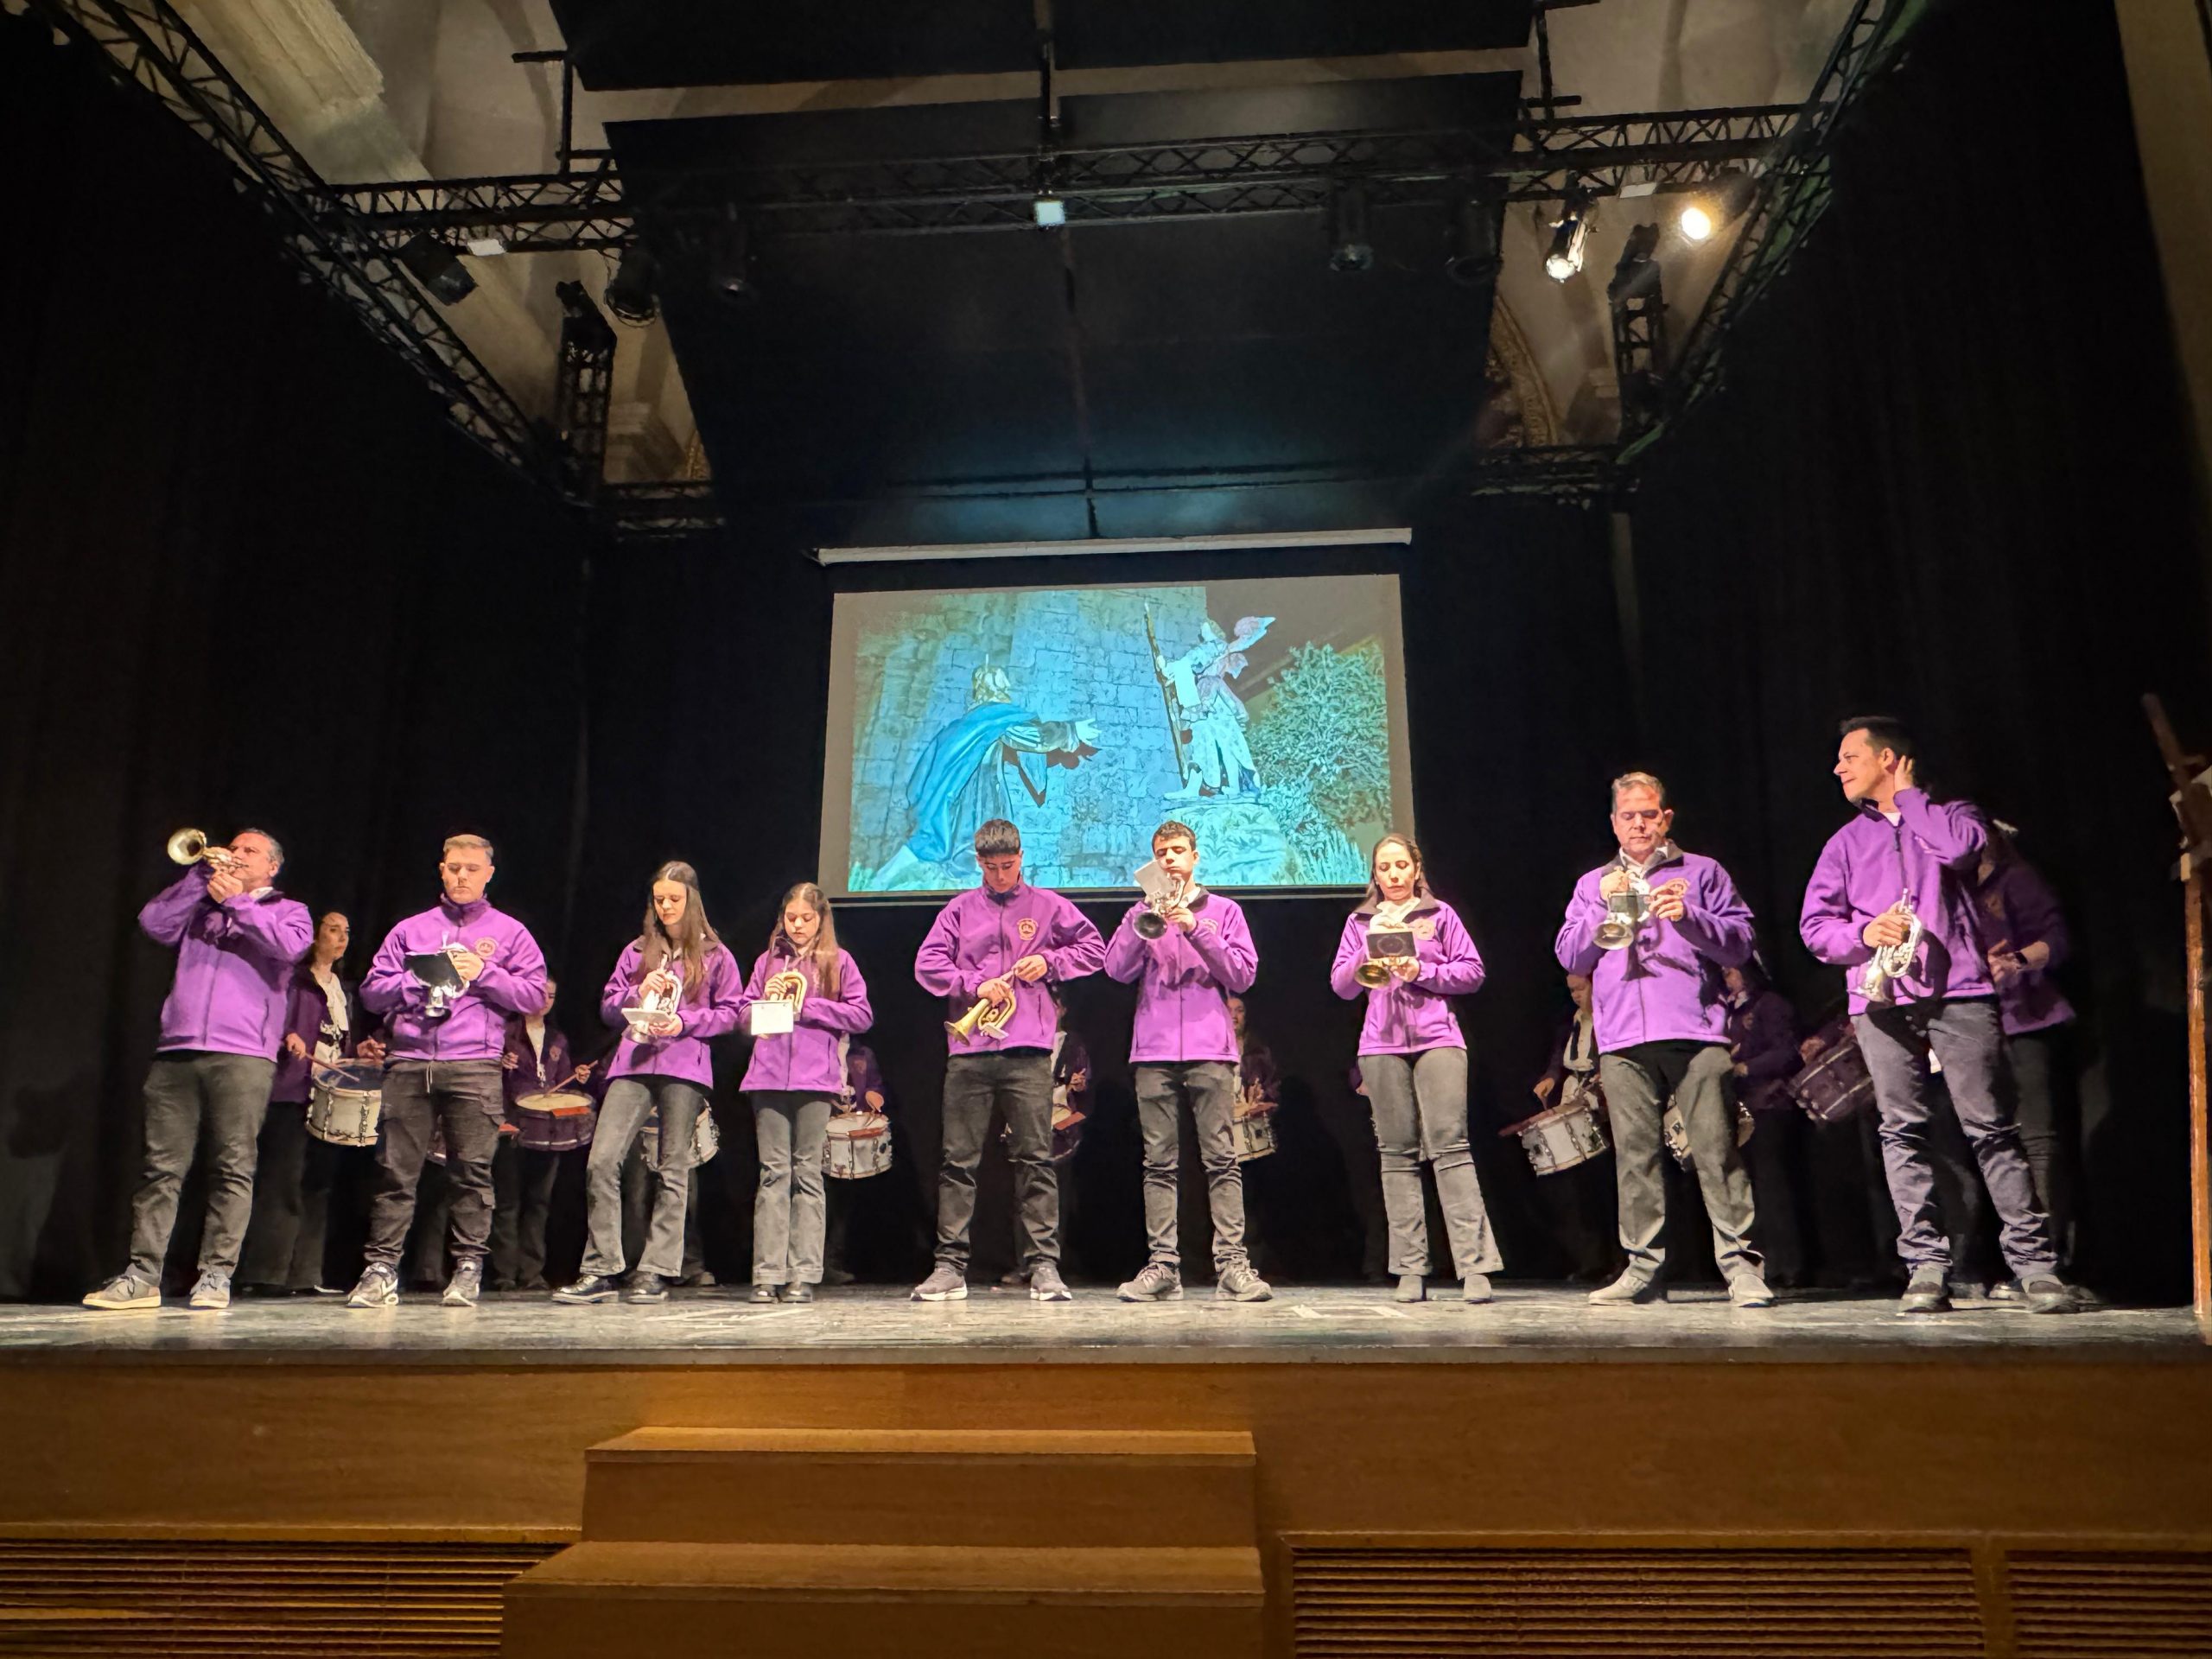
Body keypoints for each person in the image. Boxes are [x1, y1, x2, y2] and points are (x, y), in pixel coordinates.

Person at [1799, 717, 2075, 1315]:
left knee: (1991, 1128)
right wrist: (1863, 933)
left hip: (1961, 992)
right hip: (1880, 1000)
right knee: (1901, 1131)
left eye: (1850, 757)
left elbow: (1959, 851)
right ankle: (1926, 1267)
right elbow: (1815, 927)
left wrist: (1909, 799)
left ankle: (2034, 1267)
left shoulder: (1954, 816)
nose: (1838, 768)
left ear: (1888, 759)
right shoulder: (1844, 843)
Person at [1557, 772, 1773, 1309]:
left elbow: (1741, 942)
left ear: (1666, 818)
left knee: (1715, 1151)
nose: (1639, 824)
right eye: (1628, 816)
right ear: (1614, 823)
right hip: (1623, 1038)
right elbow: (1570, 956)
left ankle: (1741, 1268)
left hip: (1695, 1031)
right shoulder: (1593, 883)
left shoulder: (1702, 871)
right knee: (1636, 1158)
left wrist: (1690, 916)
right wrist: (1601, 907)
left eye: (1648, 814)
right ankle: (1643, 1271)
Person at [85, 830, 313, 1312]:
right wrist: (198, 880)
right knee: (160, 1169)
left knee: (232, 1168)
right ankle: (143, 1275)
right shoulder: (201, 904)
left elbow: (290, 949)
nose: (236, 855)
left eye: (249, 852)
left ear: (272, 867)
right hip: (178, 1048)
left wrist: (238, 905)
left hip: (244, 1055)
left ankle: (215, 1275)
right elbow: (153, 924)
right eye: (233, 848)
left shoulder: (289, 911)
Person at [346, 835, 548, 1310]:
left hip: (474, 1064)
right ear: (441, 870)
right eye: (454, 867)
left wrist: (484, 972)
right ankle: (381, 1269)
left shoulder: (510, 932)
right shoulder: (411, 929)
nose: (462, 876)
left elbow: (535, 996)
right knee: (396, 1172)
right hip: (410, 1061)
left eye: (472, 869)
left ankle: (468, 1267)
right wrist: (415, 978)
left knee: (471, 1173)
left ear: (489, 874)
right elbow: (372, 992)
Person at [911, 818, 1105, 1301]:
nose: (1000, 876)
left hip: (1028, 1052)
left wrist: (1050, 962)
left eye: (1008, 865)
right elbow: (927, 964)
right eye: (991, 867)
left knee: (1036, 1158)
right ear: (978, 862)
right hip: (970, 1052)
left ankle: (1043, 1266)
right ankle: (950, 1266)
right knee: (958, 1161)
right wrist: (974, 983)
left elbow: (1094, 949)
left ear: (1021, 858)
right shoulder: (958, 910)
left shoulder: (1047, 905)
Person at [556, 861, 741, 1306]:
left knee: (673, 1167)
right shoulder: (638, 950)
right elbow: (607, 1007)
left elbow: (732, 1013)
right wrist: (636, 993)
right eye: (659, 899)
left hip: (684, 1066)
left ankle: (656, 1270)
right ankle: (601, 1268)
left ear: (692, 900)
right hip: (632, 1063)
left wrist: (684, 1021)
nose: (666, 907)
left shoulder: (715, 954)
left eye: (674, 899)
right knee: (602, 1161)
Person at [1329, 831, 1502, 1303]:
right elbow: (1342, 985)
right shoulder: (1359, 921)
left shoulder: (1439, 914)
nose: (1394, 874)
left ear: (1416, 869)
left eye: (1401, 865)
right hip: (1380, 1044)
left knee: (1451, 1148)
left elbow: (1472, 972)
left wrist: (1422, 971)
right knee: (1396, 1154)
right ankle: (1409, 1268)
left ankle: (1474, 1266)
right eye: (1384, 867)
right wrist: (1368, 948)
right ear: (1375, 874)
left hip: (1437, 1040)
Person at [1103, 821, 1270, 1302]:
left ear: (1195, 856)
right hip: (1153, 1051)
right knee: (1158, 1163)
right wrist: (1143, 918)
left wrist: (1195, 929)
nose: (1169, 859)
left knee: (1221, 1159)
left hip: (1209, 1050)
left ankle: (1233, 1265)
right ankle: (1163, 1266)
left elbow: (1243, 974)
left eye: (1177, 850)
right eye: (1161, 853)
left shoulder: (1224, 911)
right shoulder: (1140, 912)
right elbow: (1115, 969)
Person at [734, 882, 874, 1304]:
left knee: (807, 1173)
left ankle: (804, 1273)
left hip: (815, 1080)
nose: (797, 925)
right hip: (767, 1077)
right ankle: (767, 1273)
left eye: (806, 919)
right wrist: (763, 1006)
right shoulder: (767, 962)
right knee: (773, 1173)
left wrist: (808, 1006)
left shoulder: (839, 961)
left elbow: (862, 1014)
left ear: (821, 919)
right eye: (791, 918)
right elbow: (742, 1014)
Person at [238, 911, 384, 1296]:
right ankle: (266, 1273)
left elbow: (339, 1042)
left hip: (329, 1095)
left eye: (346, 931)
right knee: (282, 1180)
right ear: (315, 936)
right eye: (333, 930)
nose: (342, 937)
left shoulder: (344, 990)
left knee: (318, 1185)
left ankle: (304, 1274)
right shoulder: (294, 980)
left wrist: (360, 1051)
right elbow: (269, 1018)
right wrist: (287, 1034)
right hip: (293, 1090)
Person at [860, 664, 1102, 892]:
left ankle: (884, 879)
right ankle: (884, 881)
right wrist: (1070, 731)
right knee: (982, 843)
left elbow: (926, 768)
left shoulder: (960, 726)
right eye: (1003, 687)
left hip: (951, 793)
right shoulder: (992, 720)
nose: (1007, 691)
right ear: (996, 689)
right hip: (977, 794)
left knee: (951, 843)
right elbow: (1032, 738)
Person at [1971, 828, 2083, 1280]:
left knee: (2035, 1139)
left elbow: (2057, 939)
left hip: (2023, 1020)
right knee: (1986, 1141)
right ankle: (1991, 1261)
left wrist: (2015, 961)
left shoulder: (2014, 879)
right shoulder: (1943, 889)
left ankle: (2048, 1259)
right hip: (1968, 1028)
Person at [494, 976, 593, 1292]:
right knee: (508, 1201)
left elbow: (561, 1081)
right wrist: (500, 1063)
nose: (545, 1001)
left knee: (539, 1201)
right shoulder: (504, 1032)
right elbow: (487, 1074)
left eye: (551, 996)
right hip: (513, 1124)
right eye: (541, 994)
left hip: (548, 1129)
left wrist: (577, 1076)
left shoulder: (557, 1038)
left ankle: (531, 1272)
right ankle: (503, 1273)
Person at [1724, 959, 1806, 1287]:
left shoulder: (1770, 1004)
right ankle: (1762, 1262)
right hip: (1741, 1108)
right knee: (1752, 1189)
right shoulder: (1728, 1010)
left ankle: (1789, 1263)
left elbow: (1787, 1052)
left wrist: (1745, 1067)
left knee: (1774, 1188)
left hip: (1769, 1105)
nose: (1726, 977)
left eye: (1731, 971)